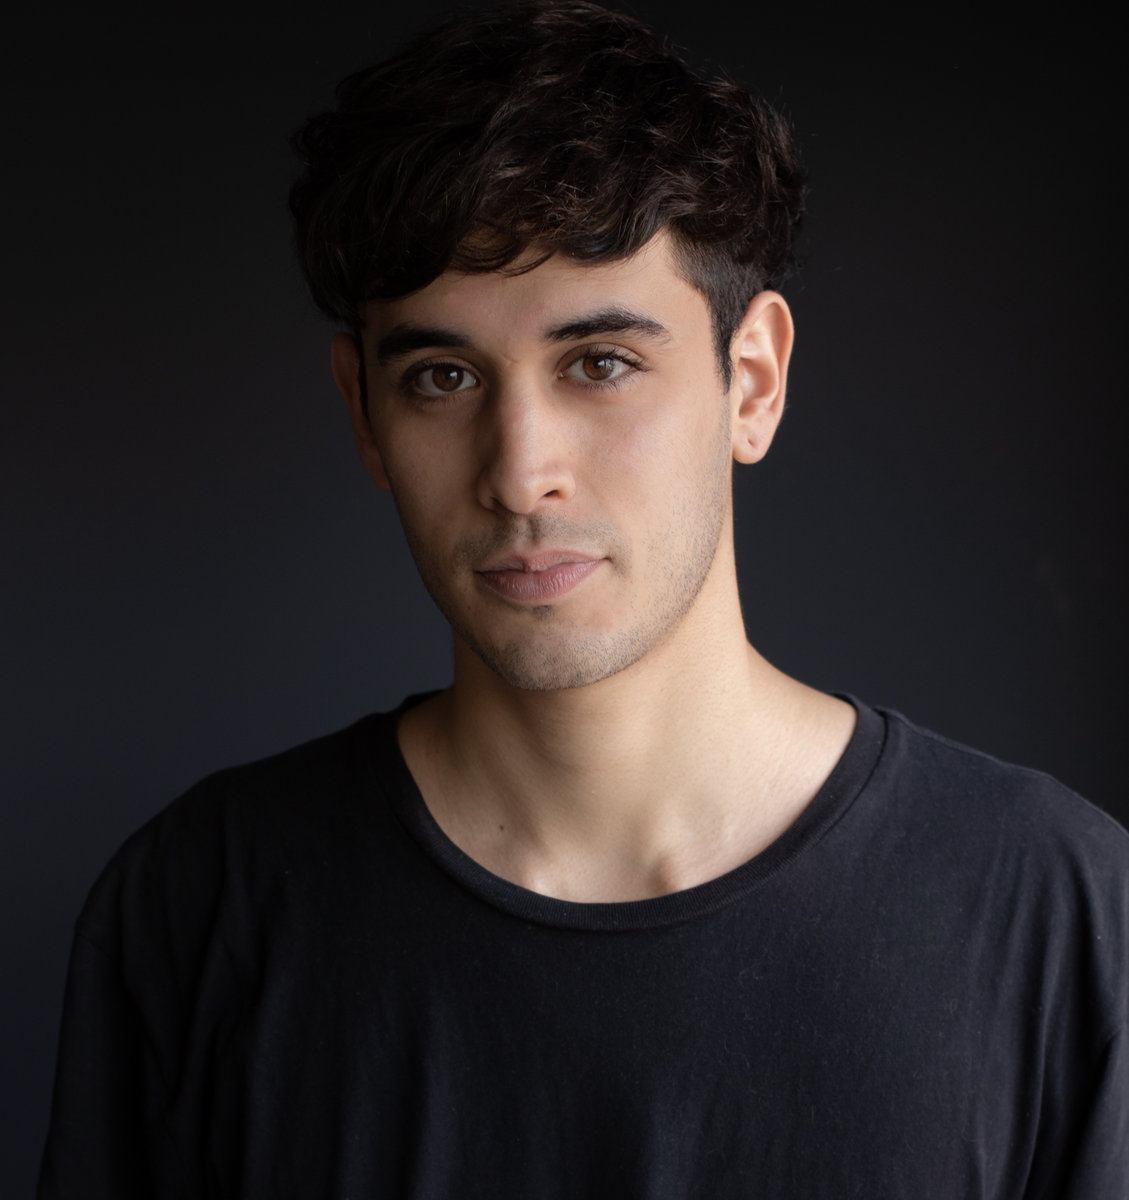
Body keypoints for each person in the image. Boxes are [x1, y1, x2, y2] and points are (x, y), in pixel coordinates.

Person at [39, 2, 1128, 1195]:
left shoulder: (1052, 908)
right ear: (364, 411)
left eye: (600, 364)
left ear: (751, 382)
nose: (519, 473)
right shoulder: (202, 910)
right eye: (442, 377)